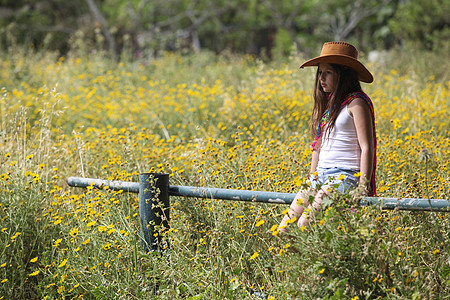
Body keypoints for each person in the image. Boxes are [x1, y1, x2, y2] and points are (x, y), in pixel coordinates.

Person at [278, 41, 377, 232]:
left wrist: (363, 185)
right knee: (283, 230)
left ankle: (316, 260)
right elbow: (317, 147)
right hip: (320, 176)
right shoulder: (327, 106)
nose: (321, 78)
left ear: (343, 74)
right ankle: (306, 262)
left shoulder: (356, 103)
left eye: (328, 73)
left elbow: (367, 147)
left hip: (344, 176)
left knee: (304, 224)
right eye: (320, 73)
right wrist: (312, 178)